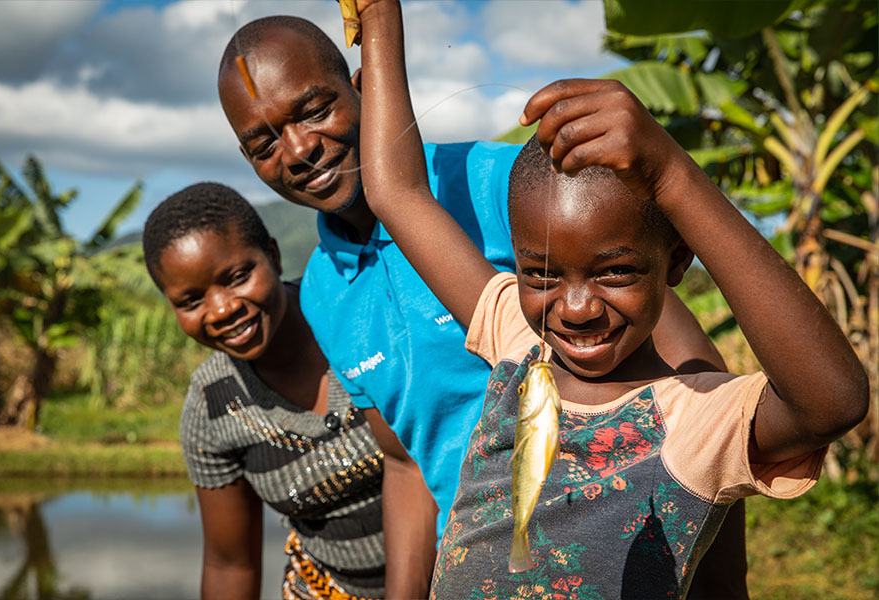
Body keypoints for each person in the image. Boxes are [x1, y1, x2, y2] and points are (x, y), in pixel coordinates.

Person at [217, 11, 745, 597]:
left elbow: (693, 368)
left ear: (365, 87)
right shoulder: (320, 292)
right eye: (263, 143)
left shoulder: (504, 185)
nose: (298, 149)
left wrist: (715, 577)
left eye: (316, 110)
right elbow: (406, 464)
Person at [354, 1, 869, 598]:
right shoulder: (515, 340)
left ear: (675, 262)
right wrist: (379, 18)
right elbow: (397, 191)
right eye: (541, 276)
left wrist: (671, 175)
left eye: (615, 272)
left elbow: (832, 402)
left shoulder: (692, 420)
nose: (575, 308)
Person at [142, 182, 395, 600]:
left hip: (456, 572)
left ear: (273, 257)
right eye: (190, 301)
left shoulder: (359, 319)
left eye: (238, 277)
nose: (222, 309)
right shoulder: (213, 409)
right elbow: (229, 564)